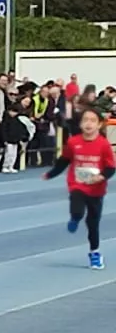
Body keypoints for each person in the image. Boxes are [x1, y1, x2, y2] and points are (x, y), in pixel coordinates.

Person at [47, 105, 116, 269]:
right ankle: (75, 217)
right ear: (80, 124)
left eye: (92, 120)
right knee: (77, 207)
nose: (88, 124)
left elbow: (111, 167)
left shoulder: (103, 145)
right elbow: (64, 160)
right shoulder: (73, 142)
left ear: (99, 124)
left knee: (93, 223)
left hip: (96, 189)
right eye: (85, 120)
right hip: (77, 184)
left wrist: (101, 176)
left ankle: (94, 252)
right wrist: (51, 174)